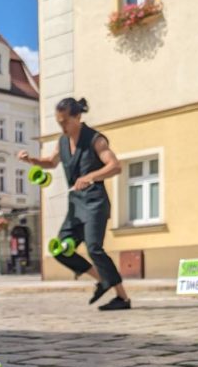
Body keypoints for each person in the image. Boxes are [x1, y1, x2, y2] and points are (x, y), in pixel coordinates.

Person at [20, 96, 132, 310]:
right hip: (76, 205)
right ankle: (102, 279)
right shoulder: (62, 142)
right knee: (60, 249)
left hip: (95, 203)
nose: (62, 126)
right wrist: (31, 160)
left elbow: (115, 166)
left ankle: (123, 298)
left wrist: (91, 176)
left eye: (65, 121)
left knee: (94, 248)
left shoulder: (95, 139)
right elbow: (51, 163)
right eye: (59, 122)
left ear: (77, 117)